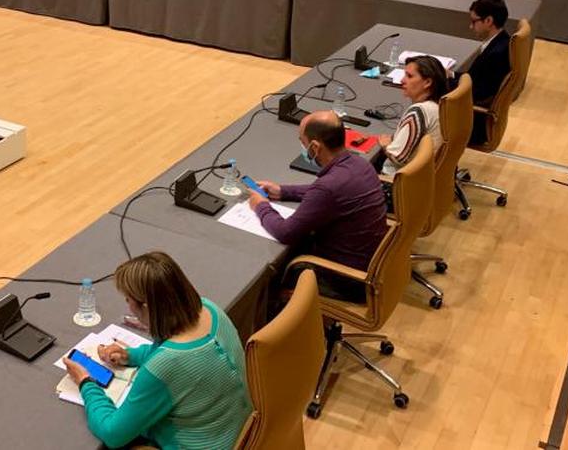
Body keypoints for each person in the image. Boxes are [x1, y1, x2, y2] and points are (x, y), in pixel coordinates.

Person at [63, 252, 251, 450]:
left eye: (128, 300)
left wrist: (86, 383)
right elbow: (179, 352)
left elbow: (112, 432)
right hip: (244, 434)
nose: (127, 306)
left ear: (146, 307)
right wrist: (130, 356)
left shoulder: (164, 366)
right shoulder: (210, 309)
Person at [248, 111, 389, 301]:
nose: (303, 148)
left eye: (303, 142)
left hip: (344, 279)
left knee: (271, 277)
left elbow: (285, 232)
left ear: (315, 147)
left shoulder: (328, 187)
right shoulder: (359, 164)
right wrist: (283, 191)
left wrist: (261, 206)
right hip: (368, 265)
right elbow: (324, 193)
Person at [378, 55, 448, 182]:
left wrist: (386, 145)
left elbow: (398, 158)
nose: (402, 81)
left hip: (398, 185)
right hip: (426, 180)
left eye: (409, 76)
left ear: (427, 82)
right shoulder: (440, 106)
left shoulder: (418, 112)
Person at [465, 0, 512, 145]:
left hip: (474, 121)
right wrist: (451, 75)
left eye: (474, 21)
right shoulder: (503, 41)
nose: (471, 27)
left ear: (488, 21)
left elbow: (474, 91)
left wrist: (442, 81)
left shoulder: (496, 55)